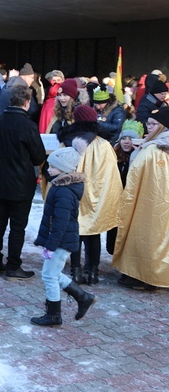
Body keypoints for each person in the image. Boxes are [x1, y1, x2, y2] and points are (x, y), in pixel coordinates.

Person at [0, 85, 47, 279]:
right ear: (26, 102)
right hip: (20, 183)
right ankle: (13, 265)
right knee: (17, 227)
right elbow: (38, 157)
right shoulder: (28, 126)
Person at [56, 105, 122, 285]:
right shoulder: (103, 145)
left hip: (73, 194)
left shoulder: (68, 141)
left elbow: (57, 168)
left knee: (75, 233)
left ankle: (75, 271)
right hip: (97, 197)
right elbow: (111, 176)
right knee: (93, 233)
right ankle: (92, 271)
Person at [31, 147, 96, 326]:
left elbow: (60, 222)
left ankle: (54, 315)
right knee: (52, 273)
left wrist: (51, 246)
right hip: (61, 240)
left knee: (49, 276)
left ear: (64, 168)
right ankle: (83, 297)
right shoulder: (60, 187)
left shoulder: (64, 192)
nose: (49, 169)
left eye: (52, 166)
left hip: (61, 241)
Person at [112, 106, 169, 291]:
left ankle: (145, 276)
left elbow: (139, 175)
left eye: (154, 124)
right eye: (149, 124)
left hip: (150, 203)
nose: (149, 127)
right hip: (159, 203)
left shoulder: (154, 149)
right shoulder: (156, 146)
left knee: (148, 237)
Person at [105, 121, 143, 256]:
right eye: (123, 138)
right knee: (112, 241)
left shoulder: (141, 156)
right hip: (115, 202)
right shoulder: (114, 155)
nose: (126, 142)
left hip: (131, 202)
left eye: (130, 139)